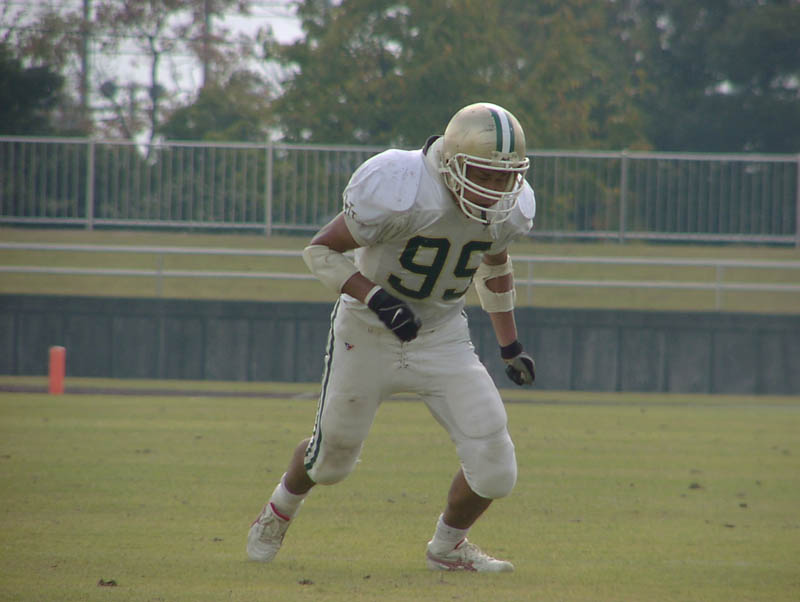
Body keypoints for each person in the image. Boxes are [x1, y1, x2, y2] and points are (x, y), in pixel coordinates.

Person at [247, 101, 537, 572]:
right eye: (483, 175)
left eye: (504, 178)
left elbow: (495, 264)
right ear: (452, 162)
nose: (493, 190)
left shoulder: (509, 210)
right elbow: (320, 251)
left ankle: (447, 548)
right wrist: (377, 299)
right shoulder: (403, 187)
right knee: (331, 461)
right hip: (368, 332)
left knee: (496, 467)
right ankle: (279, 509)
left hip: (442, 335)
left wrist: (510, 345)